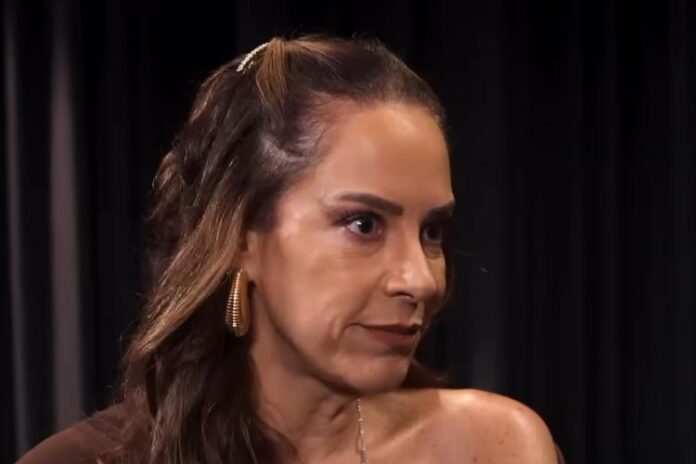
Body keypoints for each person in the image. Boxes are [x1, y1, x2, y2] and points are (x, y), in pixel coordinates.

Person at [18, 35, 564, 464]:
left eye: (432, 232)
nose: (420, 279)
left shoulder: (494, 447)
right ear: (240, 236)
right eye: (363, 224)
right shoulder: (88, 460)